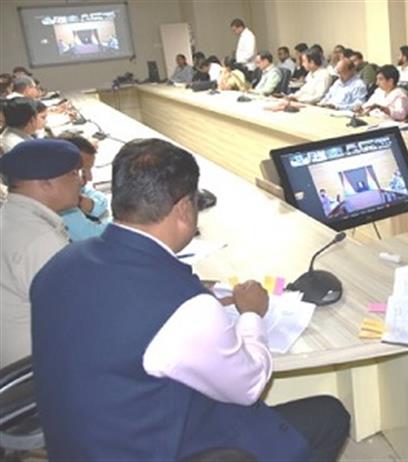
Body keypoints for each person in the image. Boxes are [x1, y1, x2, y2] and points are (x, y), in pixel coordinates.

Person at [30, 138, 351, 461]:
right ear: (184, 208)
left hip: (81, 444)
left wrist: (192, 290)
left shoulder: (62, 262)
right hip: (154, 448)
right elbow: (250, 385)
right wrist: (252, 314)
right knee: (328, 415)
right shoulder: (187, 310)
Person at [0, 140, 82, 367]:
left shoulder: (11, 217)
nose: (82, 181)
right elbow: (78, 315)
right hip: (32, 373)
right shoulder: (40, 240)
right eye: (74, 174)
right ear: (45, 183)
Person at [58, 134, 110, 241]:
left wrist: (82, 201)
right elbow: (92, 236)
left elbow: (102, 201)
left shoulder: (68, 185)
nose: (90, 178)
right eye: (83, 171)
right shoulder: (61, 204)